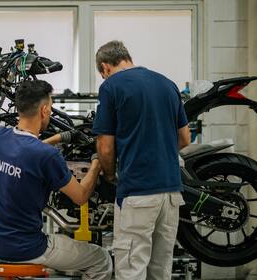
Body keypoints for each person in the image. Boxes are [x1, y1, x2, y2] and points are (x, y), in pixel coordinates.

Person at [0, 80, 113, 280]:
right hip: (25, 249)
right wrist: (96, 164)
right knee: (101, 259)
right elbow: (81, 196)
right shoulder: (47, 156)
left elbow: (25, 151)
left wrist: (58, 138)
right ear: (45, 110)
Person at [93, 40, 191, 280]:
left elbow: (105, 147)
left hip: (138, 192)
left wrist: (109, 174)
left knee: (131, 269)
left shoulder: (111, 87)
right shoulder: (167, 84)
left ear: (105, 67)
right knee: (160, 270)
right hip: (170, 194)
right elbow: (185, 138)